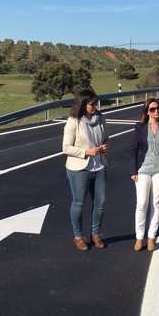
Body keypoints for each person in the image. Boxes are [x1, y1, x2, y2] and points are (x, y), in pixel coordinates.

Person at [62, 88, 109, 251]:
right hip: (79, 169)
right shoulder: (74, 120)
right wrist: (86, 152)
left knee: (100, 203)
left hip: (100, 166)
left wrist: (104, 146)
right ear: (83, 104)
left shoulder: (100, 118)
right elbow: (66, 147)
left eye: (96, 102)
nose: (95, 105)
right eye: (91, 103)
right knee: (79, 203)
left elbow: (106, 138)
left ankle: (96, 234)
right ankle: (78, 236)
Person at [129, 98, 159, 252]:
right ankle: (139, 237)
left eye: (158, 108)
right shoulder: (140, 127)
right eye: (152, 109)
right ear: (147, 112)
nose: (156, 111)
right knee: (141, 204)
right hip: (143, 169)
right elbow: (133, 149)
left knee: (157, 203)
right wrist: (133, 171)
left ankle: (152, 237)